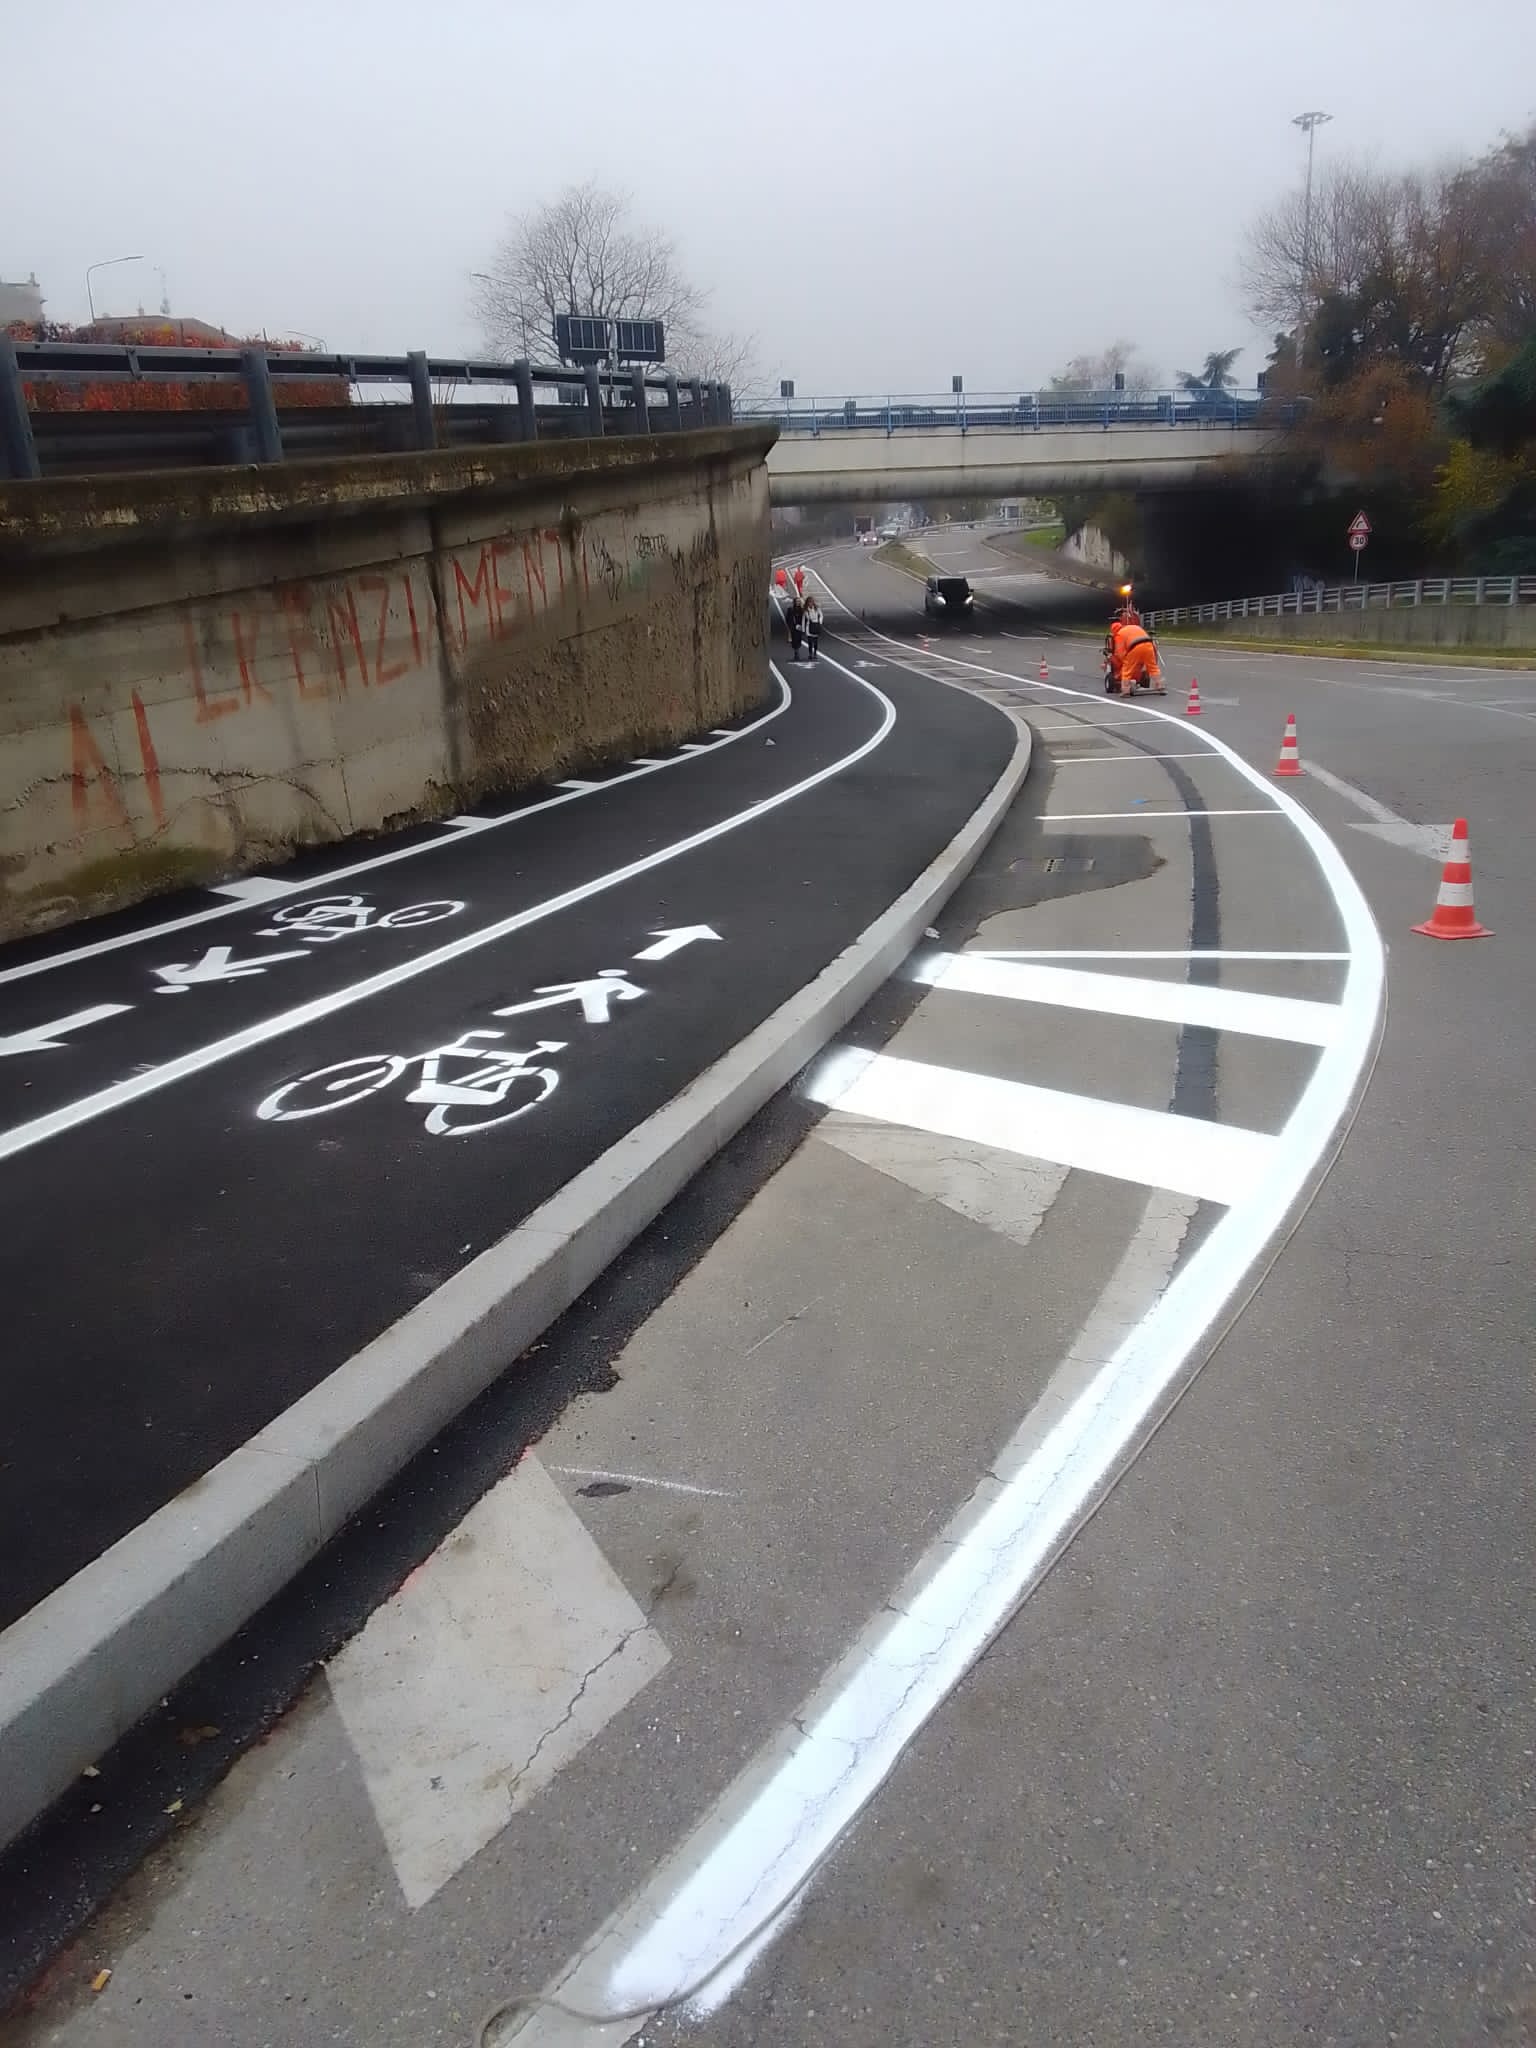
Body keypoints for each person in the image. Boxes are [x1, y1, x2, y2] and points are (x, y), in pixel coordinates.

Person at [803, 595, 823, 662]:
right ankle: (810, 654)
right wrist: (803, 629)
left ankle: (815, 653)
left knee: (815, 642)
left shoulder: (817, 608)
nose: (810, 603)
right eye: (809, 602)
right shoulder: (806, 610)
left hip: (816, 626)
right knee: (810, 642)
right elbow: (803, 619)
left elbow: (821, 615)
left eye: (811, 602)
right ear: (807, 603)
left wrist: (819, 622)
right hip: (809, 627)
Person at [787, 595, 805, 661]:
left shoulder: (802, 610)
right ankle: (796, 653)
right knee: (794, 640)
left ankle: (797, 651)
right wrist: (790, 625)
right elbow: (788, 618)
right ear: (794, 602)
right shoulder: (791, 609)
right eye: (797, 601)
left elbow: (804, 617)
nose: (798, 603)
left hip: (800, 627)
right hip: (793, 627)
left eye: (799, 601)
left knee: (799, 639)